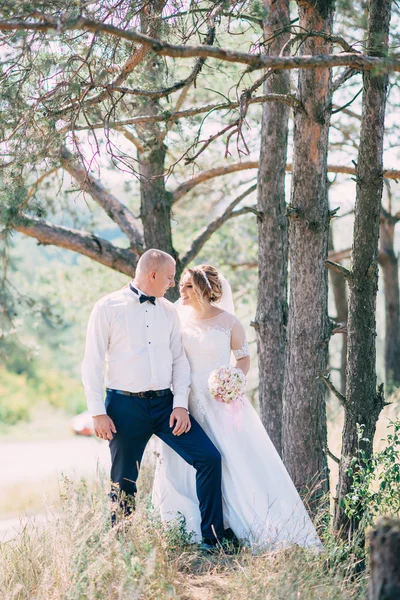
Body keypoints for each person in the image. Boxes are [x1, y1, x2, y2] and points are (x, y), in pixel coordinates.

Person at [152, 265, 322, 550]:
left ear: (205, 290)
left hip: (219, 402)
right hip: (185, 401)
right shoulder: (176, 318)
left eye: (188, 286)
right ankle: (189, 526)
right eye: (181, 284)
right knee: (190, 462)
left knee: (230, 461)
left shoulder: (229, 322)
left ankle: (233, 527)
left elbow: (243, 359)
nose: (181, 290)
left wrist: (233, 379)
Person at [81, 249, 227, 549]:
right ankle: (122, 547)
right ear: (153, 275)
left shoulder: (169, 311)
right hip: (123, 408)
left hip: (165, 406)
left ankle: (212, 539)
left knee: (209, 458)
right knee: (124, 480)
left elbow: (179, 361)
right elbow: (92, 362)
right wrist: (97, 412)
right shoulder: (107, 307)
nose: (173, 284)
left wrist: (180, 405)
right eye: (171, 277)